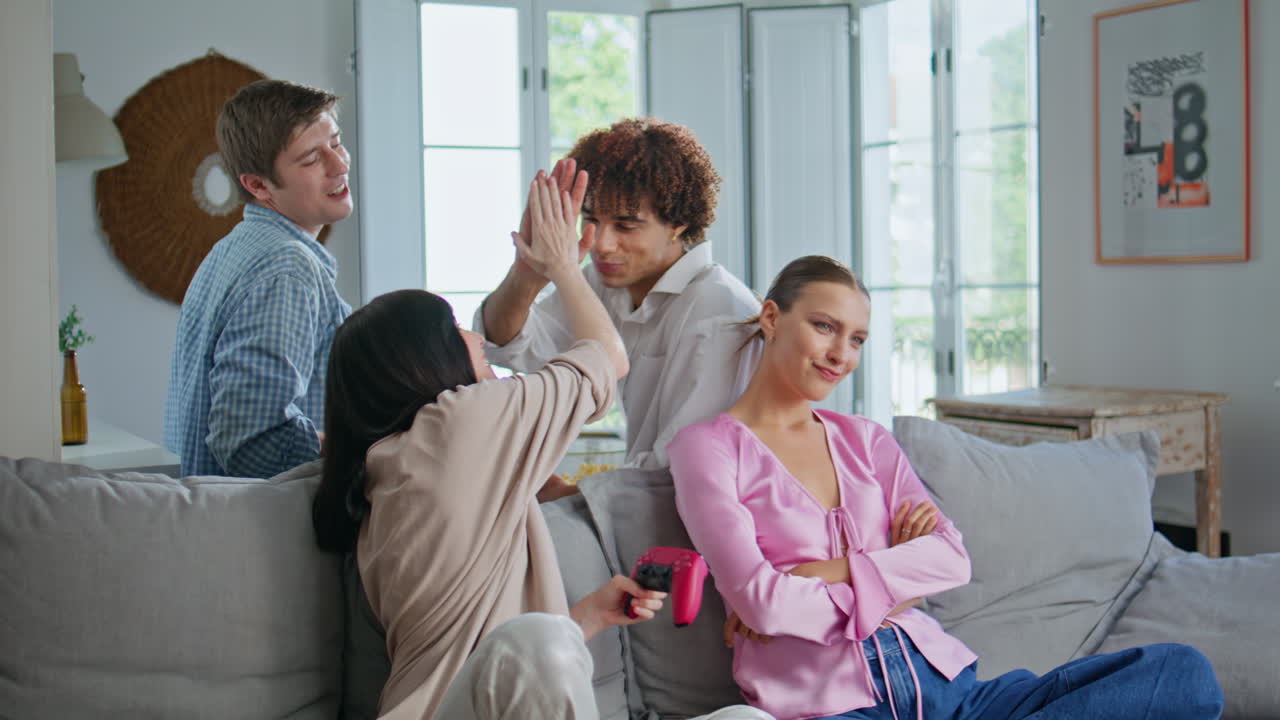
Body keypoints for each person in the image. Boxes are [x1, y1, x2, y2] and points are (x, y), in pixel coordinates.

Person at [667, 255, 1224, 720]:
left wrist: (814, 575)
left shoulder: (867, 441)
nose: (842, 355)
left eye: (857, 339)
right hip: (831, 708)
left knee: (1185, 674)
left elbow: (951, 559)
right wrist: (891, 570)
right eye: (824, 326)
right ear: (770, 317)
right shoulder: (708, 449)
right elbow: (763, 604)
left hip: (955, 696)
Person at [312, 174, 771, 720]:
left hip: (492, 696)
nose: (475, 339)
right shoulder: (453, 424)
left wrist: (588, 618)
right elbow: (606, 360)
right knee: (537, 642)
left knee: (747, 718)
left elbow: (491, 654)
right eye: (457, 330)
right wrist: (557, 266)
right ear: (422, 362)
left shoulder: (397, 463)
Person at [477, 118, 761, 470]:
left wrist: (576, 496)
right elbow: (513, 349)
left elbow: (680, 468)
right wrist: (526, 274)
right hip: (636, 499)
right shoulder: (604, 282)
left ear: (678, 224)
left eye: (626, 226)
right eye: (591, 220)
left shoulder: (721, 311)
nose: (601, 243)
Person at [165, 79, 352, 478]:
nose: (340, 164)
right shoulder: (286, 267)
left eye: (335, 143)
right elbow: (252, 441)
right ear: (258, 185)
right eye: (311, 159)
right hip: (264, 531)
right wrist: (370, 450)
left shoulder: (236, 248)